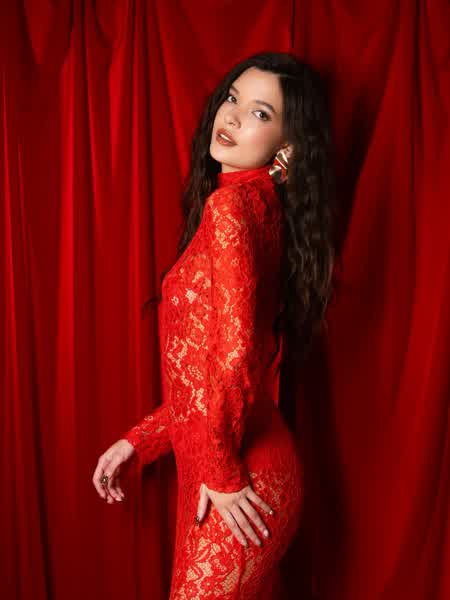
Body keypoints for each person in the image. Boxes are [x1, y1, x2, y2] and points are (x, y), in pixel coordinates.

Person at [92, 51, 336, 599]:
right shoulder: (256, 206)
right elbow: (206, 379)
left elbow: (233, 358)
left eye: (260, 113)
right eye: (232, 98)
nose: (232, 116)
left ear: (289, 146)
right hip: (230, 467)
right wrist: (138, 442)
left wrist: (222, 474)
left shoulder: (231, 213)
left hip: (239, 478)